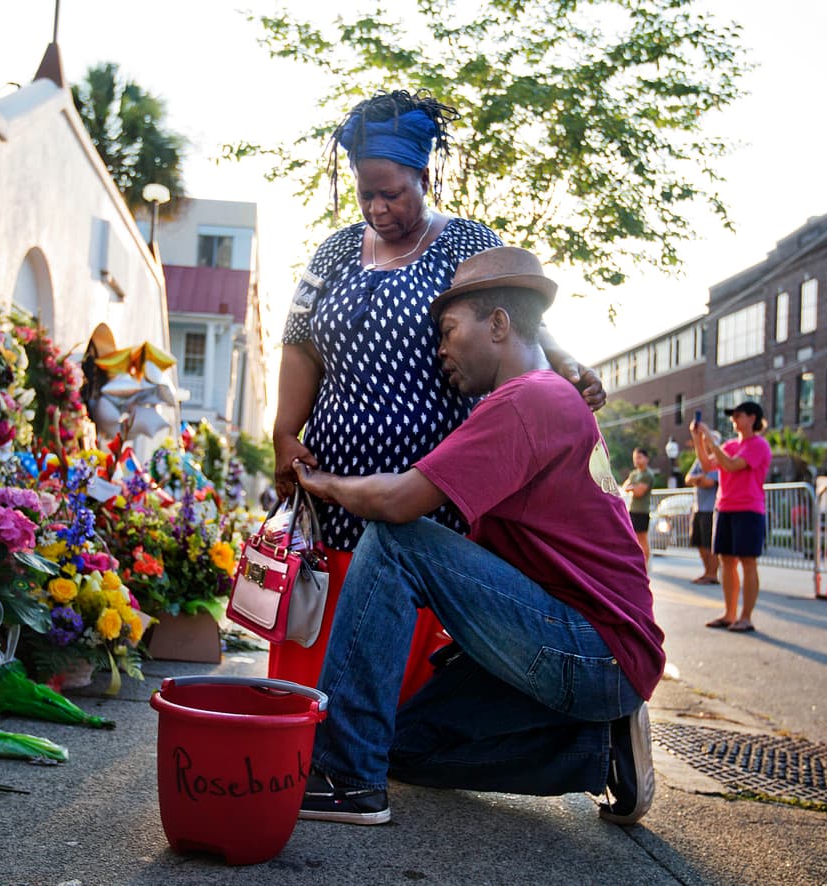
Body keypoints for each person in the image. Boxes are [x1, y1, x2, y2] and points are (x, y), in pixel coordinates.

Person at [291, 247, 664, 827]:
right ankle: (601, 750)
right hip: (593, 655)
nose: (440, 350)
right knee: (404, 746)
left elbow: (399, 502)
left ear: (497, 323)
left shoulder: (527, 401)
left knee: (396, 542)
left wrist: (321, 482)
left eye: (447, 330)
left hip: (597, 649)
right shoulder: (546, 398)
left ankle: (344, 778)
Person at [271, 89, 604, 694]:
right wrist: (284, 431)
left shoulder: (463, 243)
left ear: (424, 175)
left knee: (399, 640)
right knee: (316, 646)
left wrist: (567, 362)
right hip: (332, 480)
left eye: (391, 192)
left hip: (427, 491)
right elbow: (299, 340)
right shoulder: (336, 250)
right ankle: (317, 738)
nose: (376, 207)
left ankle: (381, 747)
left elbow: (520, 312)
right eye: (365, 192)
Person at [690, 403, 771, 633]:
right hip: (724, 508)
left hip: (749, 509)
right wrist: (698, 440)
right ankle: (729, 614)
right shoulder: (730, 444)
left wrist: (709, 439)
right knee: (726, 561)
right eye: (732, 415)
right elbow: (707, 465)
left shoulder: (758, 445)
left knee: (747, 561)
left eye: (738, 415)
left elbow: (732, 465)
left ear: (752, 417)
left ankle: (745, 617)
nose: (733, 419)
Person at [685, 432, 720, 584]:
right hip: (698, 507)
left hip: (711, 508)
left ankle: (713, 574)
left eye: (707, 441)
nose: (705, 444)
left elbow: (709, 483)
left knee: (710, 543)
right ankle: (707, 571)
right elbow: (687, 479)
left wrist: (697, 479)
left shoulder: (718, 460)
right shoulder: (700, 461)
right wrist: (699, 478)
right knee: (699, 542)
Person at [622, 448, 655, 565]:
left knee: (642, 539)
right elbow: (625, 487)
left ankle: (645, 564)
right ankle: (636, 563)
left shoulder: (648, 474)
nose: (637, 460)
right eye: (635, 458)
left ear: (646, 459)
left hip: (642, 511)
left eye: (640, 457)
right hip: (632, 510)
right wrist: (632, 488)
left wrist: (633, 488)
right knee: (632, 538)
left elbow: (639, 492)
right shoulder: (634, 474)